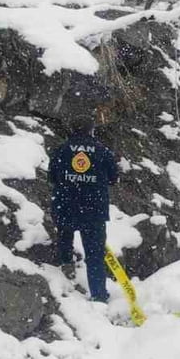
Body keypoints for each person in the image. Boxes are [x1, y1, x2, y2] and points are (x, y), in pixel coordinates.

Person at [49, 114, 118, 303]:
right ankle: (98, 295)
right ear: (91, 130)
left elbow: (52, 177)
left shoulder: (61, 150)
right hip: (93, 210)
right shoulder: (103, 151)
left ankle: (66, 264)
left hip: (66, 205)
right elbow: (113, 178)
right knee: (95, 255)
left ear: (72, 129)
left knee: (65, 235)